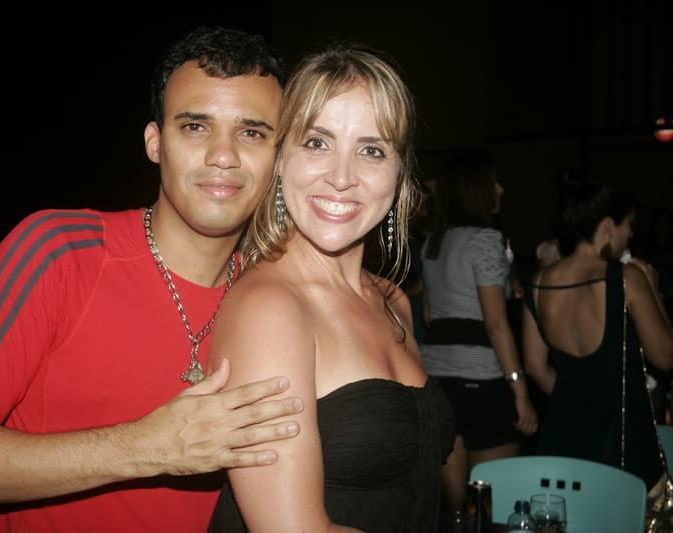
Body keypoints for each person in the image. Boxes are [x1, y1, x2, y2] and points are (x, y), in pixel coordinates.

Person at [0, 27, 306, 532]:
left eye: (252, 133)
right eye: (195, 126)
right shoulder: (59, 251)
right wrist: (148, 446)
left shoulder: (271, 298)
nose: (224, 155)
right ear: (155, 143)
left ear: (279, 158)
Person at [206, 44, 456, 532]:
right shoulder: (269, 309)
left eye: (371, 150)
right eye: (317, 143)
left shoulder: (393, 301)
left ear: (400, 174)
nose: (342, 178)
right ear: (281, 160)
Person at [524, 178, 673, 491]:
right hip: (621, 443)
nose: (631, 234)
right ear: (608, 226)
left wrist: (580, 403)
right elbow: (665, 356)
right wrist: (655, 290)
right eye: (628, 224)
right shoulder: (626, 278)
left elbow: (535, 367)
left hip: (562, 437)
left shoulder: (538, 283)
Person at [420, 152, 537, 512]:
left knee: (455, 510)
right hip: (483, 382)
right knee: (493, 503)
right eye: (494, 182)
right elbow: (496, 324)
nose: (501, 189)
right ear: (476, 189)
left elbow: (430, 314)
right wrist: (520, 390)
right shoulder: (486, 239)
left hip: (438, 380)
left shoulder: (433, 243)